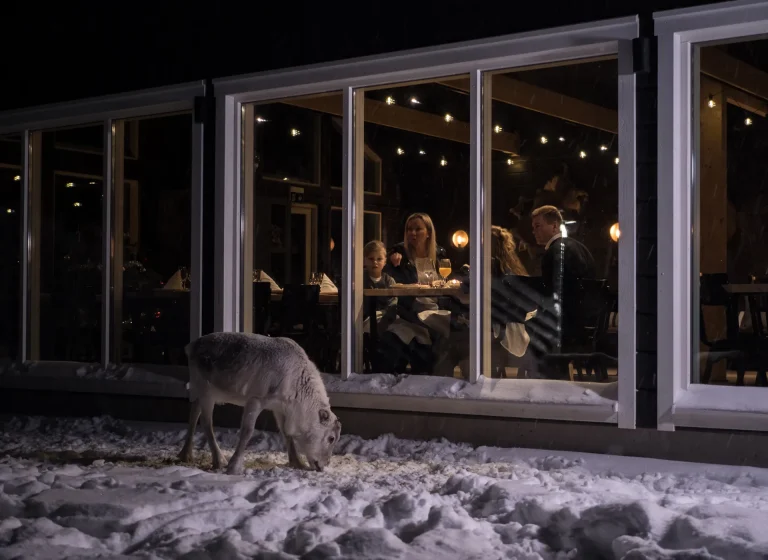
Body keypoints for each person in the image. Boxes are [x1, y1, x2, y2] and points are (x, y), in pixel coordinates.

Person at [383, 213, 448, 374]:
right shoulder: (399, 254)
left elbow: (447, 280)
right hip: (413, 310)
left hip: (436, 307)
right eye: (409, 229)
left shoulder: (439, 254)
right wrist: (392, 264)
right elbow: (387, 279)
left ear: (428, 233)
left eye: (418, 229)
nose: (412, 233)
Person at [531, 204, 596, 353]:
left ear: (554, 226)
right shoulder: (581, 248)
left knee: (525, 324)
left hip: (567, 325)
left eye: (538, 226)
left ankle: (539, 370)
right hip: (588, 321)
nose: (534, 231)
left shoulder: (553, 252)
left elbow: (550, 295)